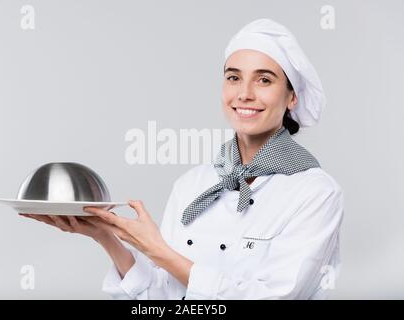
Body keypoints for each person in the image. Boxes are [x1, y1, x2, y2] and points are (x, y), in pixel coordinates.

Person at [21, 18, 344, 300]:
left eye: (264, 79)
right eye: (233, 77)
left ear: (291, 97)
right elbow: (162, 296)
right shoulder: (193, 184)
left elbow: (274, 298)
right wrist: (106, 236)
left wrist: (157, 250)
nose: (244, 93)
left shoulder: (315, 192)